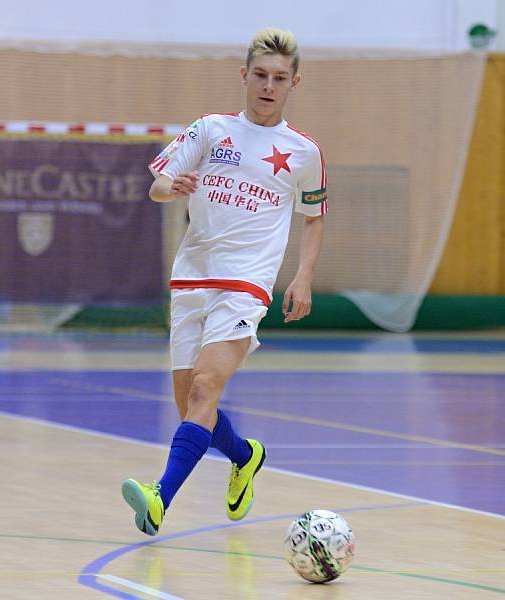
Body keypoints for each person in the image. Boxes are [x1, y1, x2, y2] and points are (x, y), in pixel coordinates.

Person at [121, 27, 327, 536]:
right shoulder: (210, 129)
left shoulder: (304, 151)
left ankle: (158, 500)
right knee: (191, 402)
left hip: (247, 282)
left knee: (208, 387)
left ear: (294, 83)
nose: (268, 85)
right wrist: (174, 188)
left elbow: (314, 215)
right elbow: (158, 185)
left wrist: (302, 276)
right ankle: (245, 455)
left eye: (280, 78)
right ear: (244, 75)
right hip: (192, 278)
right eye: (260, 74)